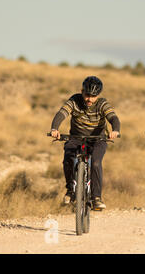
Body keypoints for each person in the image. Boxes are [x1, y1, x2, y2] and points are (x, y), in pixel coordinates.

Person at [50, 76, 120, 210]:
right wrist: (55, 128)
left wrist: (115, 130)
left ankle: (96, 198)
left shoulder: (102, 103)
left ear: (98, 95)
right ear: (82, 91)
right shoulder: (74, 100)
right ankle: (70, 190)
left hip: (97, 139)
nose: (89, 99)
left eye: (94, 96)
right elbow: (62, 113)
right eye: (87, 95)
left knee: (95, 162)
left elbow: (113, 117)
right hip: (76, 137)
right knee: (68, 159)